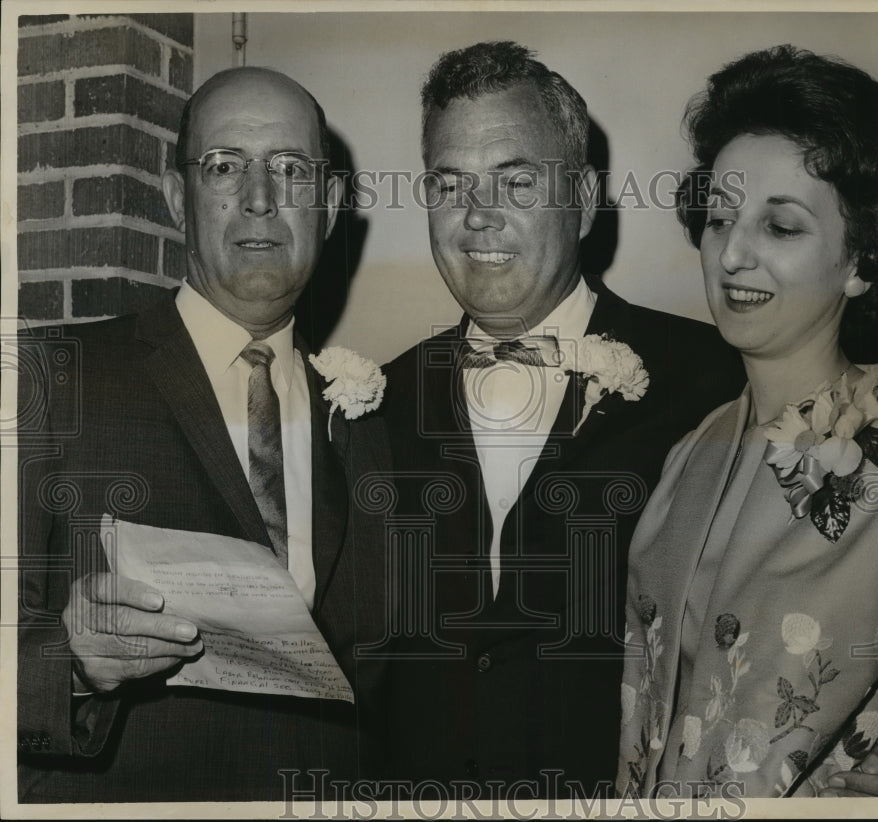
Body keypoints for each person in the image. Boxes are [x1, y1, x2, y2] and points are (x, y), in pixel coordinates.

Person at [376, 41, 745, 796]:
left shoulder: (713, 379)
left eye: (513, 181)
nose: (477, 218)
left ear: (580, 201)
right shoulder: (375, 401)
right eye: (450, 185)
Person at [17, 66, 390, 802]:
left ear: (331, 202)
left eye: (290, 168)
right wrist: (68, 662)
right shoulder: (51, 378)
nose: (259, 198)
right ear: (176, 197)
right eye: (224, 167)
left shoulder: (375, 420)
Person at [617, 45, 878, 798]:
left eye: (781, 228)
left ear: (860, 260)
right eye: (720, 219)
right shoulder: (695, 451)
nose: (733, 254)